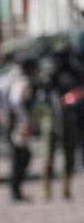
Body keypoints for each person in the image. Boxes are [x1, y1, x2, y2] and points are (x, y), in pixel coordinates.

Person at [35, 39, 82, 201]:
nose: (59, 59)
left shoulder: (74, 72)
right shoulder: (48, 71)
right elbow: (40, 88)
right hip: (50, 116)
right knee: (47, 153)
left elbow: (79, 90)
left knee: (70, 153)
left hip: (69, 117)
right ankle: (46, 189)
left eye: (62, 56)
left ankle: (66, 188)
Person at [3, 54, 40, 203]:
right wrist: (25, 121)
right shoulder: (22, 81)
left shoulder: (14, 78)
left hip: (15, 123)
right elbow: (16, 101)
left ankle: (16, 189)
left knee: (21, 156)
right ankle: (15, 190)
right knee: (21, 157)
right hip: (18, 126)